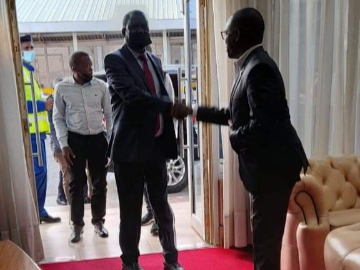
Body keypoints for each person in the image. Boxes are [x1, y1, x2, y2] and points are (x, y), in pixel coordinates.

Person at [173, 8, 309, 270]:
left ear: (236, 35)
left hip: (274, 171)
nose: (224, 40)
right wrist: (193, 111)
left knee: (266, 246)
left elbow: (264, 125)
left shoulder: (259, 69)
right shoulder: (250, 65)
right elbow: (234, 114)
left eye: (225, 34)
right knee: (263, 242)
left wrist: (234, 136)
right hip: (268, 169)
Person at [104, 10, 184, 270]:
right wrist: (167, 105)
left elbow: (159, 92)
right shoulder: (114, 60)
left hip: (156, 147)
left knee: (162, 208)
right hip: (129, 151)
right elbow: (133, 96)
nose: (140, 31)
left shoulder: (155, 59)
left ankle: (171, 260)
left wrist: (168, 109)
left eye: (143, 26)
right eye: (134, 27)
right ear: (123, 32)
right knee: (130, 212)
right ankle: (130, 264)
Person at [53, 51, 112, 243]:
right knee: (76, 185)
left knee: (99, 184)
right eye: (87, 66)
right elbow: (58, 118)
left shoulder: (101, 86)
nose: (91, 69)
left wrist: (109, 142)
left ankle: (98, 222)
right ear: (74, 69)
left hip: (97, 139)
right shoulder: (62, 88)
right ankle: (76, 226)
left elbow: (110, 117)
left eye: (91, 65)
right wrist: (64, 144)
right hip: (75, 142)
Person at [20, 34, 61, 224]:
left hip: (38, 132)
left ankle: (40, 210)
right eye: (26, 48)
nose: (30, 52)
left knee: (41, 172)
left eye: (31, 48)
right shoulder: (19, 73)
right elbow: (20, 103)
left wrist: (44, 103)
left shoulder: (29, 73)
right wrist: (41, 105)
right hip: (30, 131)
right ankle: (37, 212)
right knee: (38, 173)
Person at [141, 46, 177, 237]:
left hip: (157, 140)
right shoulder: (130, 76)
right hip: (138, 142)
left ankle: (158, 220)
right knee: (145, 185)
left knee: (159, 187)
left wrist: (171, 138)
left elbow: (169, 105)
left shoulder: (162, 76)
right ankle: (150, 211)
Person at [47, 78, 69, 205]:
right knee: (65, 170)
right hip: (58, 143)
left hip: (68, 140)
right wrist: (60, 145)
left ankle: (79, 196)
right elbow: (53, 127)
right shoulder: (51, 102)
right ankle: (61, 196)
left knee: (67, 169)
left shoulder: (65, 99)